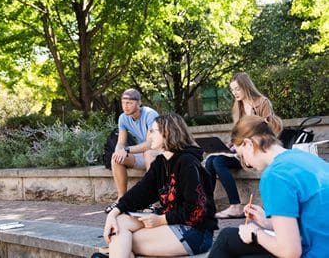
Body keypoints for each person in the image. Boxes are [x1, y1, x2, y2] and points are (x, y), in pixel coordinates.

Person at [92, 114, 218, 258]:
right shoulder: (161, 162)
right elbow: (140, 192)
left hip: (195, 232)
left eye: (152, 131)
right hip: (171, 223)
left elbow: (196, 210)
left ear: (167, 134)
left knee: (121, 238)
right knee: (119, 225)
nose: (149, 135)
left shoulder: (188, 163)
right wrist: (114, 213)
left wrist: (161, 220)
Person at [208, 115, 329, 258]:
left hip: (314, 252)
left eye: (241, 156)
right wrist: (267, 223)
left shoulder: (275, 175)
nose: (246, 163)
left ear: (248, 144)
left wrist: (256, 233)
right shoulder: (305, 158)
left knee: (228, 241)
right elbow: (310, 219)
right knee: (227, 237)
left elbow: (290, 252)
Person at [205, 72, 282, 219]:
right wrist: (229, 146)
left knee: (218, 162)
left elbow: (270, 131)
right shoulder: (238, 106)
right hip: (240, 151)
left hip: (256, 151)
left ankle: (235, 206)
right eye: (232, 90)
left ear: (246, 87)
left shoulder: (262, 102)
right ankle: (207, 207)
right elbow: (238, 133)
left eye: (237, 89)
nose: (234, 93)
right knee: (211, 160)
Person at [105, 88, 159, 213]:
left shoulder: (150, 114)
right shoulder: (123, 118)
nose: (125, 106)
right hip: (144, 154)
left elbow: (151, 144)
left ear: (139, 103)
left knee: (149, 152)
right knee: (116, 158)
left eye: (129, 102)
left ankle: (154, 202)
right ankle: (121, 200)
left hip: (160, 153)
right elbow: (121, 143)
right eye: (123, 102)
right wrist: (119, 151)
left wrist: (127, 149)